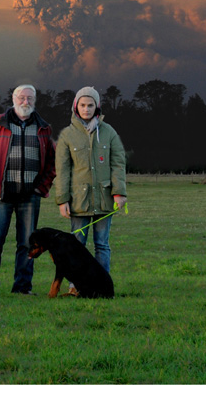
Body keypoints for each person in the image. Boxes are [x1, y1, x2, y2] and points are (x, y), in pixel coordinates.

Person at [0, 84, 55, 295]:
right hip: (1, 194)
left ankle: (22, 288)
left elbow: (52, 164)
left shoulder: (43, 128)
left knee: (27, 244)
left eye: (30, 98)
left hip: (30, 196)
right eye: (21, 98)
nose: (25, 102)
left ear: (35, 101)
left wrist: (41, 187)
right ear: (13, 99)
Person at [54, 86, 127, 295]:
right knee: (76, 245)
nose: (86, 109)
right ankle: (74, 286)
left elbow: (118, 163)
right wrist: (62, 199)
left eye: (90, 105)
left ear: (97, 107)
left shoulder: (109, 132)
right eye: (83, 105)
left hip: (105, 200)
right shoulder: (67, 135)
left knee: (102, 244)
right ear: (76, 106)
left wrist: (119, 193)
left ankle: (102, 286)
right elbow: (62, 170)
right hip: (78, 201)